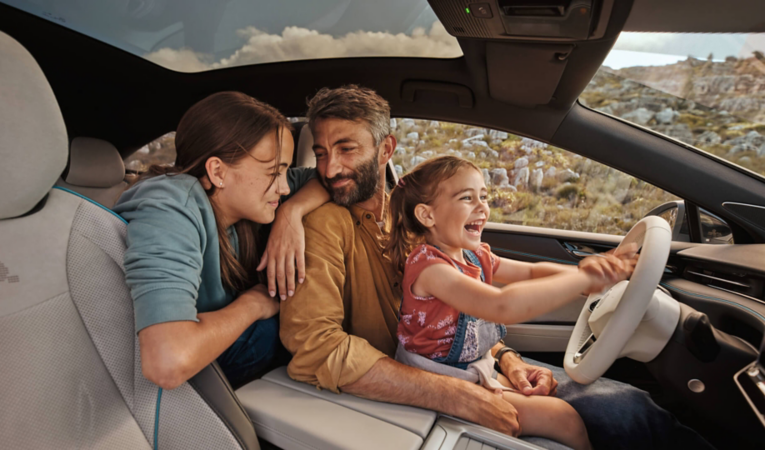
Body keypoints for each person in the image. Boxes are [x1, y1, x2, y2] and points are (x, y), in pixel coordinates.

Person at [280, 85, 715, 449]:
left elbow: (459, 311)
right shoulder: (323, 227)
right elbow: (317, 348)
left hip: (474, 368)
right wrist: (456, 395)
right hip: (422, 386)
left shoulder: (412, 217)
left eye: (346, 149)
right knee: (621, 415)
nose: (330, 168)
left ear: (385, 149)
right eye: (320, 153)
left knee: (634, 408)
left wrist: (508, 360)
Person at [386, 155, 640, 450]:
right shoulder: (430, 269)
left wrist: (586, 274)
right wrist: (584, 280)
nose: (482, 207)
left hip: (470, 367)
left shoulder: (474, 254)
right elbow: (502, 306)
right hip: (436, 379)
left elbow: (531, 272)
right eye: (467, 198)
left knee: (547, 400)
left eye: (483, 196)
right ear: (427, 216)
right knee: (564, 418)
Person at [114, 91, 328, 388]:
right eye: (273, 172)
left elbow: (329, 179)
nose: (283, 187)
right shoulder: (170, 207)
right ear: (218, 171)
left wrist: (291, 214)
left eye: (285, 172)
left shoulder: (241, 201)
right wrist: (254, 303)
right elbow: (168, 361)